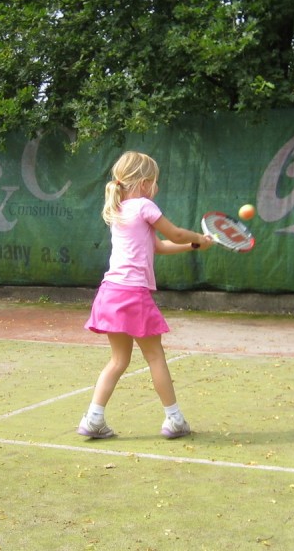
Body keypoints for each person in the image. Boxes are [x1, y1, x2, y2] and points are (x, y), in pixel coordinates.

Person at [78, 150, 214, 440]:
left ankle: (93, 419)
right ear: (143, 183)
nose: (157, 187)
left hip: (110, 292)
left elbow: (160, 246)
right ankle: (174, 420)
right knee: (155, 357)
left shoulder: (120, 209)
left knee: (118, 361)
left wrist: (194, 246)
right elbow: (176, 234)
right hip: (132, 293)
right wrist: (197, 238)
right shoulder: (143, 205)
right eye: (155, 181)